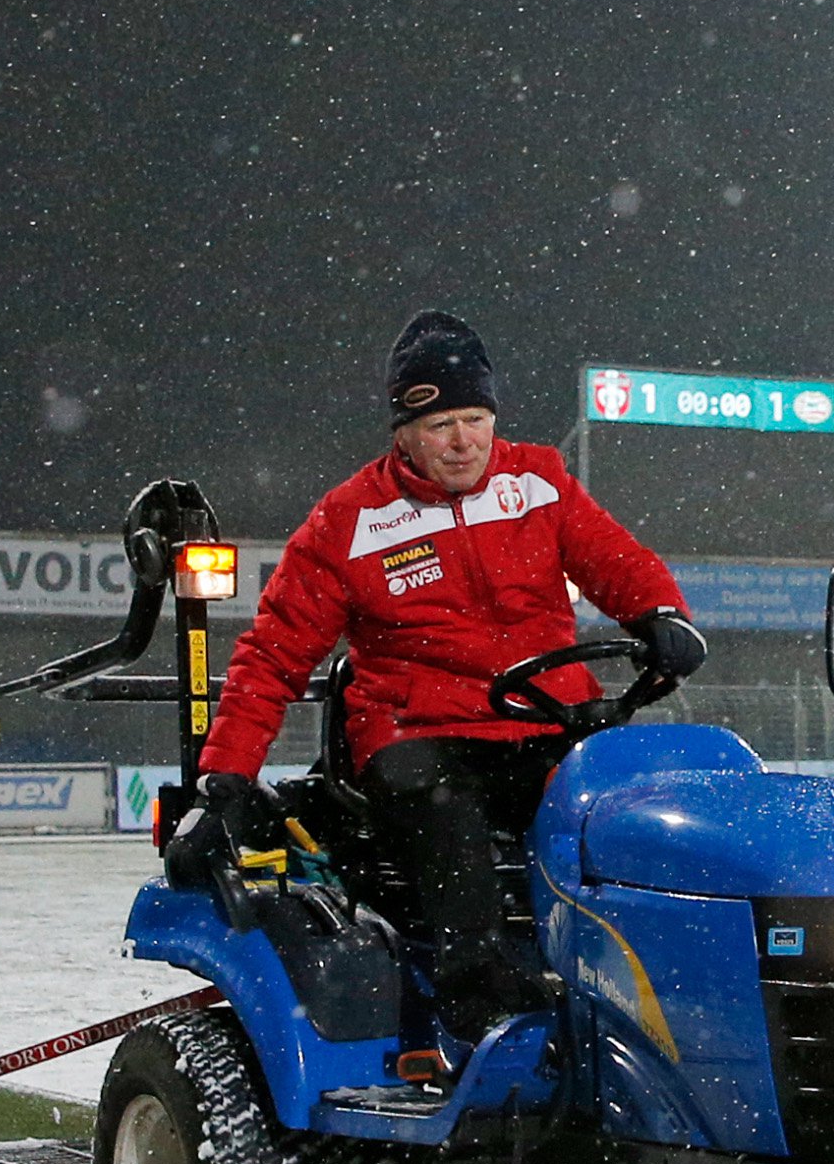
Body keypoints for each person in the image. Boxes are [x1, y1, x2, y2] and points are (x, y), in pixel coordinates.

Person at [164, 310, 705, 1029]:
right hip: (422, 732)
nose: (462, 441)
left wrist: (663, 614)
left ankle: (671, 979)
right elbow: (273, 655)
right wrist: (223, 781)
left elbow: (619, 562)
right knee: (441, 803)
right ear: (403, 433)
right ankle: (477, 992)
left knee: (644, 809)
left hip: (549, 720)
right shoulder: (349, 522)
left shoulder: (540, 484)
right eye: (440, 424)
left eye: (475, 418)